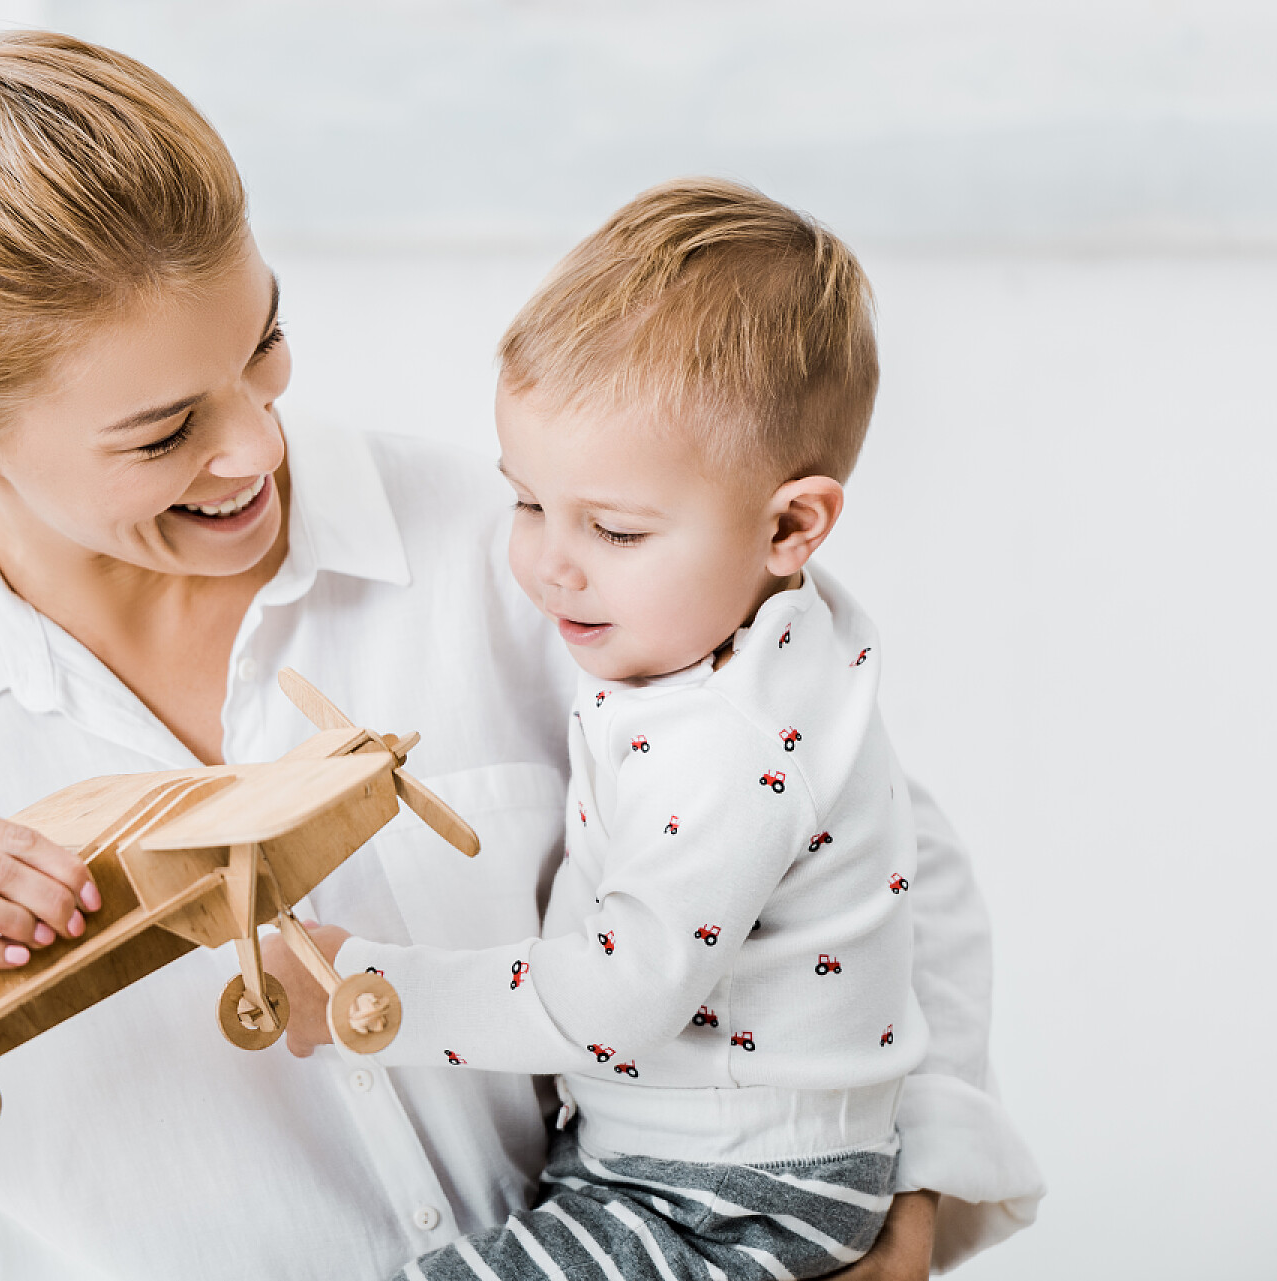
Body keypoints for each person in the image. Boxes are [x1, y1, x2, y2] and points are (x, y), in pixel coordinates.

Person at [0, 31, 1041, 1280]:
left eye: (264, 344)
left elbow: (879, 854)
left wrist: (902, 1215)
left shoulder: (524, 551)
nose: (255, 445)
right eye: (166, 428)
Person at [265, 179, 1043, 1280]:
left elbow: (621, 995)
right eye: (526, 501)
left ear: (791, 524)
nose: (549, 563)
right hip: (669, 1156)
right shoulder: (765, 639)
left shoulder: (735, 743)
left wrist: (371, 993)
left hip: (726, 1192)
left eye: (616, 531)